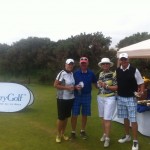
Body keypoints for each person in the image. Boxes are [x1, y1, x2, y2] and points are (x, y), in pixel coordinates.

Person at [116, 53, 144, 150]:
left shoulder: (134, 70)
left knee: (133, 119)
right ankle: (127, 136)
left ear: (128, 60)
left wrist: (141, 91)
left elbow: (141, 83)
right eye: (122, 59)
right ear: (120, 60)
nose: (123, 61)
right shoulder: (118, 70)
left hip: (131, 98)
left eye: (125, 59)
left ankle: (135, 141)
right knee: (125, 118)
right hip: (120, 97)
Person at [70, 56, 97, 140]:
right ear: (79, 64)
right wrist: (75, 87)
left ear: (87, 63)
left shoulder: (91, 73)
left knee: (84, 114)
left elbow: (96, 84)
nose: (83, 64)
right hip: (76, 96)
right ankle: (73, 132)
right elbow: (71, 85)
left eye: (85, 63)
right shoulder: (75, 73)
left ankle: (82, 130)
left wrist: (100, 84)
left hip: (87, 96)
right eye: (82, 63)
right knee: (74, 114)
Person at [97, 58, 117, 147]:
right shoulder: (101, 74)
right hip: (100, 97)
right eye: (103, 64)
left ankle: (107, 138)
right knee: (102, 117)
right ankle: (104, 134)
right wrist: (99, 84)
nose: (105, 65)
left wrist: (106, 85)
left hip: (110, 98)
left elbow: (116, 87)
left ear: (109, 65)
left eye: (107, 64)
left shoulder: (114, 74)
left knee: (107, 118)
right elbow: (99, 86)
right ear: (101, 65)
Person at [54, 58, 75, 143]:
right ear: (65, 65)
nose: (70, 66)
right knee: (61, 117)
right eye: (69, 64)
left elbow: (71, 85)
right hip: (62, 98)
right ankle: (58, 134)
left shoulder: (71, 73)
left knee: (66, 117)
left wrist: (75, 87)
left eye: (71, 64)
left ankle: (63, 133)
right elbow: (55, 85)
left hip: (70, 98)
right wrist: (67, 88)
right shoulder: (62, 73)